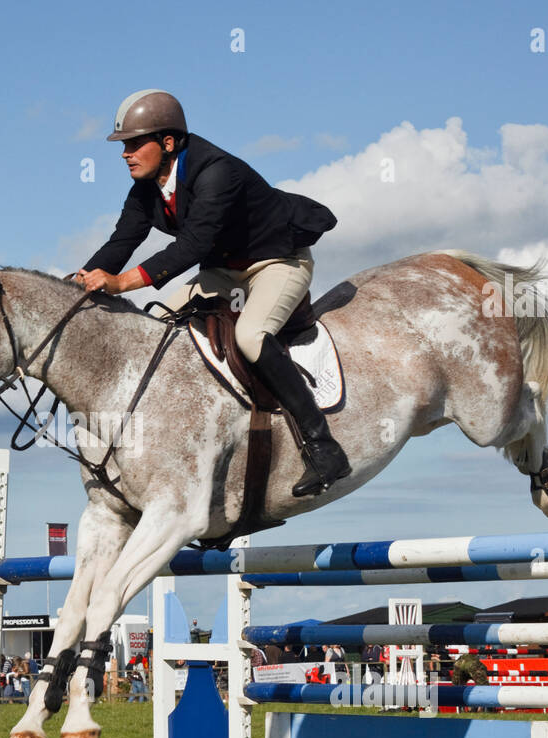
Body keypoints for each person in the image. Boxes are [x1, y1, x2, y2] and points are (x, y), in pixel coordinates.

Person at [76, 89, 348, 496]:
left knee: (250, 336)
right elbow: (122, 241)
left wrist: (121, 283)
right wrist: (79, 283)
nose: (125, 153)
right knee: (158, 328)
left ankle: (323, 448)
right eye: (124, 146)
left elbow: (193, 245)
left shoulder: (217, 171)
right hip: (225, 271)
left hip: (277, 262)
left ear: (168, 143)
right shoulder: (145, 189)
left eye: (134, 144)